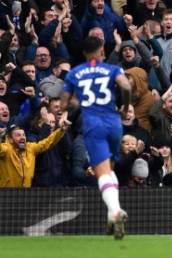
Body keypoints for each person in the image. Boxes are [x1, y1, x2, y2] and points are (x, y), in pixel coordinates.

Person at [60, 36, 132, 240]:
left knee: (102, 172)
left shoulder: (75, 73)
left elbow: (65, 103)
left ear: (83, 53)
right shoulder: (112, 69)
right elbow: (126, 87)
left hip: (93, 125)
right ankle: (112, 215)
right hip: (114, 124)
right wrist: (125, 108)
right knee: (110, 168)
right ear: (102, 50)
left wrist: (76, 100)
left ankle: (116, 210)